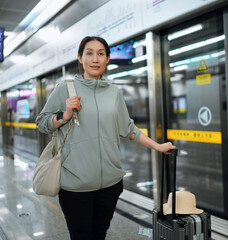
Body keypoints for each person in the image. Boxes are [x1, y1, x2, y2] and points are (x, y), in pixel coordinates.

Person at [36, 36, 175, 240]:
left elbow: (129, 129)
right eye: (89, 53)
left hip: (110, 185)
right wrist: (63, 116)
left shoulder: (114, 92)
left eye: (100, 54)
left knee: (100, 235)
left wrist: (158, 146)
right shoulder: (65, 89)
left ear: (108, 59)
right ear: (80, 58)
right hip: (76, 186)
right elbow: (41, 122)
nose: (95, 59)